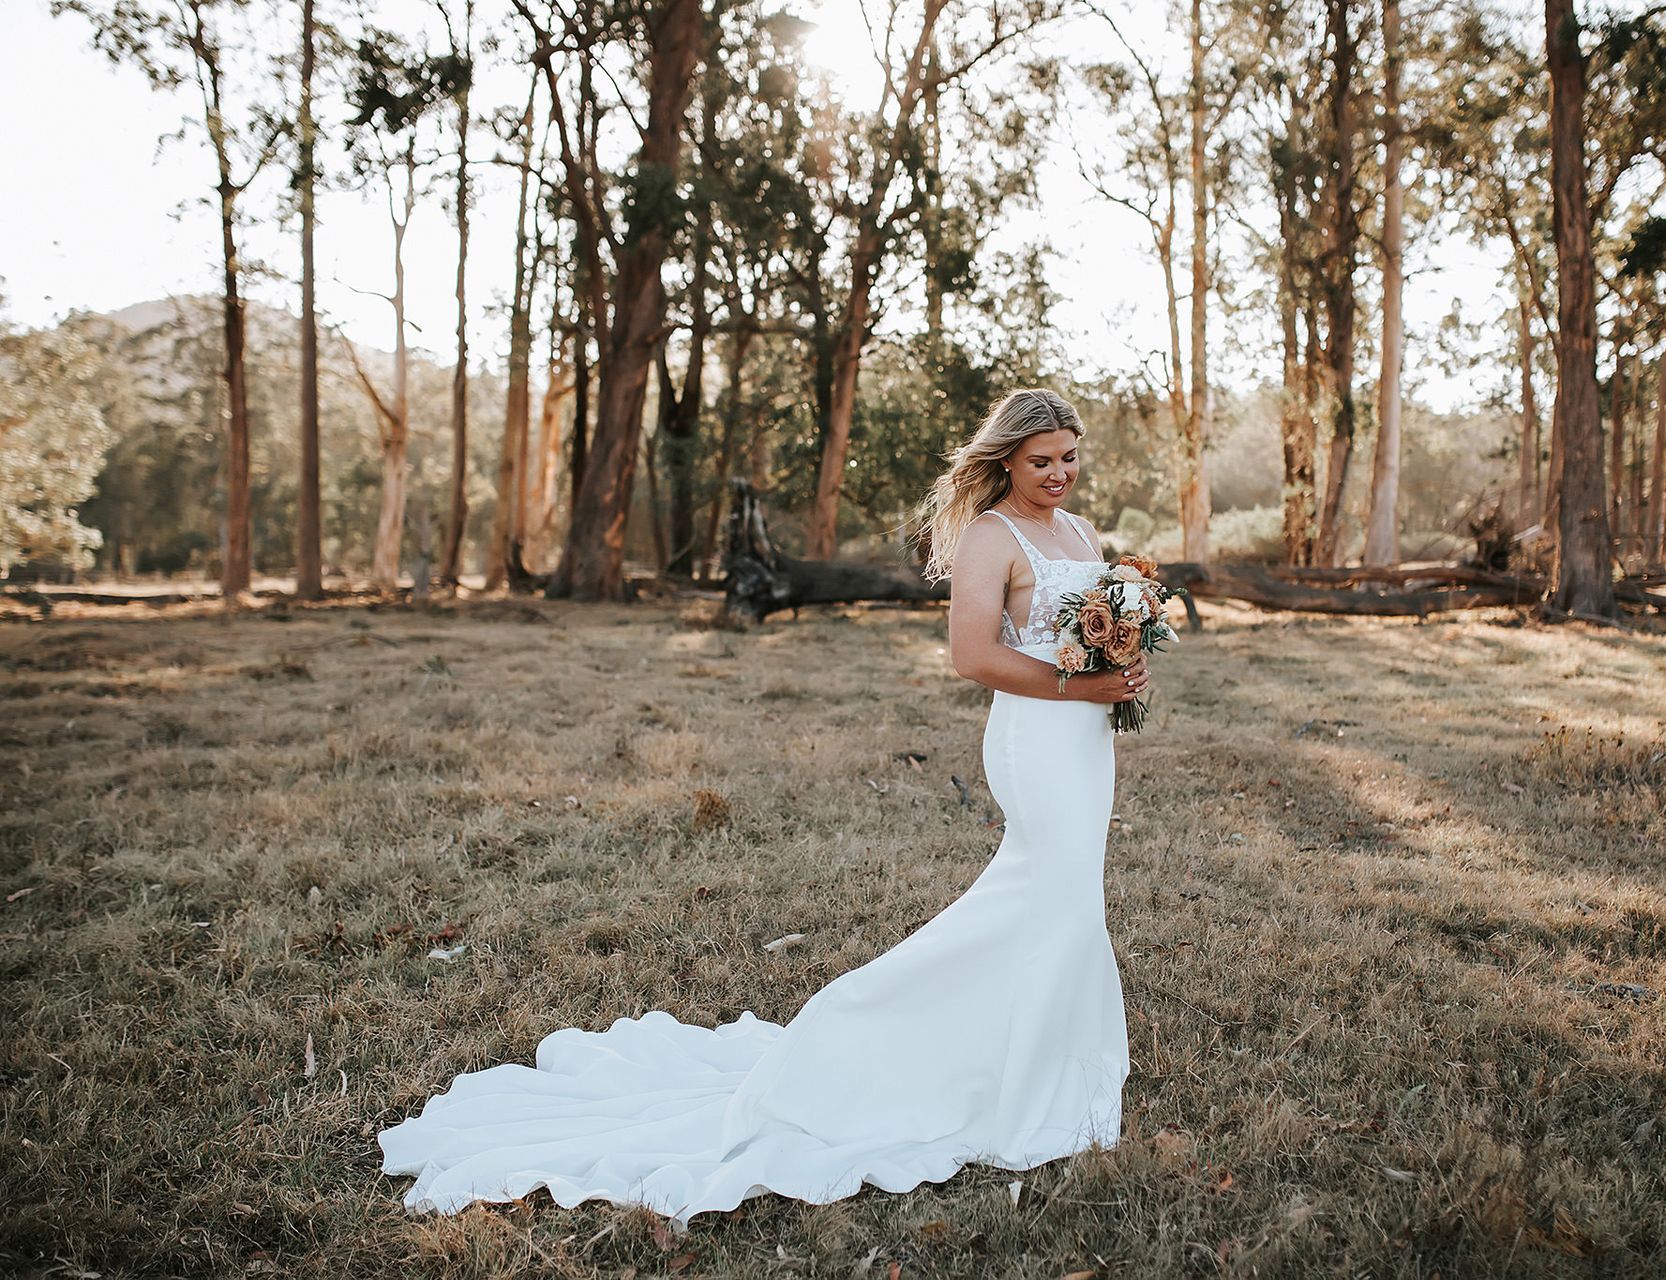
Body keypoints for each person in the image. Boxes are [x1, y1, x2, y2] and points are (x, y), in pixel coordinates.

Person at [377, 387, 1145, 1222]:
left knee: (1062, 896)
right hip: (1036, 738)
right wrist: (1080, 683)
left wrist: (1122, 668)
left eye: (1070, 457)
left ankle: (1042, 1050)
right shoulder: (990, 537)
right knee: (1046, 890)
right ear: (1004, 460)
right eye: (1042, 461)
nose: (1061, 474)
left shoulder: (1078, 532)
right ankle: (879, 1028)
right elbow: (971, 656)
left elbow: (1091, 628)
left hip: (1085, 738)